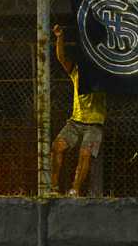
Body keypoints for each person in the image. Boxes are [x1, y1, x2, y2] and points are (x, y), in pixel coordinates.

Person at [51, 24, 107, 197]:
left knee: (85, 154)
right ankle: (53, 188)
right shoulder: (76, 71)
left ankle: (75, 190)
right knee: (57, 146)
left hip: (94, 123)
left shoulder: (103, 74)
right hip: (76, 121)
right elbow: (61, 57)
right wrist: (60, 37)